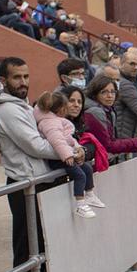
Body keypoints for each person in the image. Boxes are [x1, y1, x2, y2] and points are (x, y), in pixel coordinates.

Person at [0, 58, 59, 272]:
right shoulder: (8, 111)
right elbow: (36, 145)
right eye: (17, 77)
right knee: (26, 246)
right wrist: (69, 152)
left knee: (39, 245)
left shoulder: (23, 106)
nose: (24, 82)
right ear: (3, 81)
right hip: (23, 185)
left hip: (37, 182)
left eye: (26, 76)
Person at [34, 89, 97, 218]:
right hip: (58, 159)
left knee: (87, 168)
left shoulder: (55, 120)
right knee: (80, 175)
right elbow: (57, 141)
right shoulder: (50, 123)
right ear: (61, 109)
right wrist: (68, 155)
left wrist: (78, 147)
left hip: (64, 156)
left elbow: (67, 138)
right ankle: (80, 204)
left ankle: (90, 194)